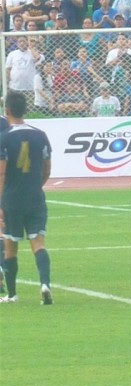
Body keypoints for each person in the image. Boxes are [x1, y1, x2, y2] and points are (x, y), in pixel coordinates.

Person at [0, 93, 54, 306]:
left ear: (7, 110)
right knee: (38, 243)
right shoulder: (40, 135)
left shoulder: (4, 138)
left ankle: (12, 294)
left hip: (12, 198)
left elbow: (2, 173)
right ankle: (45, 285)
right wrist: (36, 186)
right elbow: (47, 169)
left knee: (10, 245)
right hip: (35, 196)